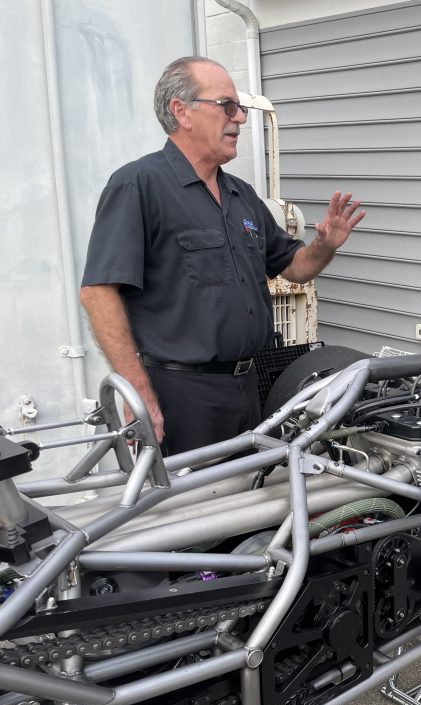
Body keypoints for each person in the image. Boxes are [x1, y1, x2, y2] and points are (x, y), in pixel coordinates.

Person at [80, 56, 364, 455]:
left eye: (240, 108)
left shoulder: (241, 195)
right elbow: (98, 294)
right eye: (227, 106)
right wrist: (139, 393)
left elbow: (296, 268)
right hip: (182, 396)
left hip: (255, 384)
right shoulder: (138, 185)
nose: (241, 119)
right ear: (182, 112)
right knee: (196, 512)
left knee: (256, 503)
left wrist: (324, 246)